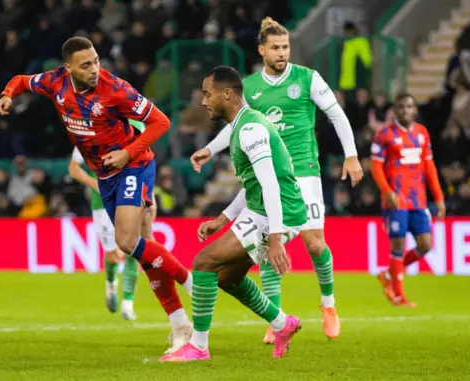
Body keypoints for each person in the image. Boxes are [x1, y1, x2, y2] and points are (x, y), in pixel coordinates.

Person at [0, 36, 193, 354]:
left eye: (97, 60)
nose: (95, 69)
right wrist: (7, 95)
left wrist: (127, 153)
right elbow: (21, 81)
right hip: (105, 177)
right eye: (86, 64)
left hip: (135, 166)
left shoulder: (115, 88)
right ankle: (181, 325)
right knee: (141, 252)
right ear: (68, 67)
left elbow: (160, 121)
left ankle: (191, 283)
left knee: (127, 243)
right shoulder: (54, 82)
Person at [190, 17, 363, 343]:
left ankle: (328, 304)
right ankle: (277, 318)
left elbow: (336, 114)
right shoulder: (250, 88)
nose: (282, 53)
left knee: (314, 244)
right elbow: (236, 125)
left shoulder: (307, 78)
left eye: (285, 47)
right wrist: (211, 150)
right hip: (269, 172)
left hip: (304, 174)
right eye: (275, 47)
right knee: (269, 241)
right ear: (262, 50)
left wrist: (351, 155)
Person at [160, 66, 305, 362]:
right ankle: (282, 324)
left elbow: (270, 184)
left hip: (278, 213)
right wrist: (223, 219)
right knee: (226, 278)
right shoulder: (242, 126)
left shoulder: (251, 130)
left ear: (227, 94)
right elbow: (253, 184)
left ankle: (198, 347)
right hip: (263, 209)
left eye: (207, 93)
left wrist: (275, 239)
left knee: (202, 264)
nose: (203, 101)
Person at [371, 93, 445, 307]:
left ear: (415, 110)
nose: (405, 110)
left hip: (418, 201)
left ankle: (388, 274)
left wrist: (438, 197)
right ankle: (398, 295)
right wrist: (387, 191)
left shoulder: (422, 133)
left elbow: (430, 168)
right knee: (398, 245)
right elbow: (376, 167)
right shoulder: (384, 135)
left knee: (425, 245)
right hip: (396, 200)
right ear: (395, 110)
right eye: (401, 107)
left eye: (409, 107)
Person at [69, 144, 142, 320]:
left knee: (134, 249)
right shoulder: (87, 136)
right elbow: (73, 169)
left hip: (131, 196)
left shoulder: (130, 132)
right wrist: (95, 183)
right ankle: (111, 282)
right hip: (103, 203)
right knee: (113, 255)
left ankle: (128, 304)